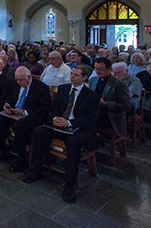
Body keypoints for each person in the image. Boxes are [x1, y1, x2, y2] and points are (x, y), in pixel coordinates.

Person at [23, 64, 100, 203]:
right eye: (71, 73)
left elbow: (90, 119)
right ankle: (37, 169)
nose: (72, 76)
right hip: (60, 123)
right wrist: (55, 118)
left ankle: (69, 185)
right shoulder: (63, 89)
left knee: (73, 143)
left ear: (84, 78)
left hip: (77, 127)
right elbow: (55, 108)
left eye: (76, 75)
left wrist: (69, 123)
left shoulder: (91, 96)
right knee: (39, 131)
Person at [0, 66, 51, 171]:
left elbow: (43, 110)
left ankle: (21, 159)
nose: (18, 82)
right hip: (15, 112)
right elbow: (9, 97)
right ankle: (2, 150)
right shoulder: (15, 83)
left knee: (19, 126)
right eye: (17, 79)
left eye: (21, 80)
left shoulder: (41, 88)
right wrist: (7, 105)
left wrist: (24, 112)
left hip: (30, 115)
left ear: (28, 77)